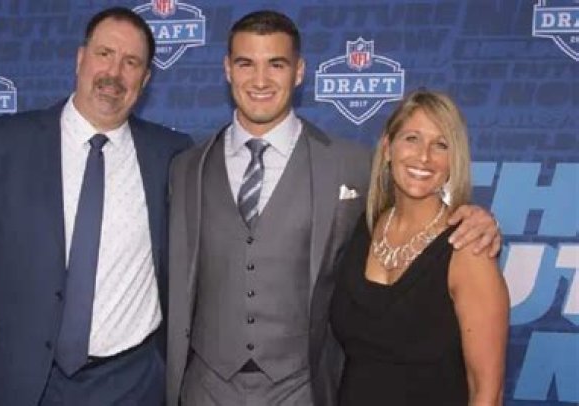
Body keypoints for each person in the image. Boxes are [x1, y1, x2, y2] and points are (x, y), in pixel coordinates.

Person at [165, 10, 500, 406]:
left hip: (303, 390)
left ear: (299, 72)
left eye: (276, 64)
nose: (260, 80)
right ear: (227, 69)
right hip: (206, 388)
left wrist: (478, 218)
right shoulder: (185, 168)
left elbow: (419, 203)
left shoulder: (352, 165)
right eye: (245, 63)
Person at [0, 7, 192, 406]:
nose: (114, 73)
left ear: (146, 78)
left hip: (131, 383)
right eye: (104, 54)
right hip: (19, 378)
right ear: (80, 58)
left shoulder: (171, 154)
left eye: (131, 62)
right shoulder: (1, 144)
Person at [329, 90, 509, 405]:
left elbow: (487, 392)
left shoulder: (467, 249)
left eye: (441, 145)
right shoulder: (361, 227)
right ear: (388, 147)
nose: (424, 157)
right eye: (412, 139)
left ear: (453, 161)